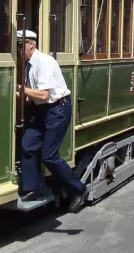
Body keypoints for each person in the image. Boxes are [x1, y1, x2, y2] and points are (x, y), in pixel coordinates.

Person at [16, 29, 86, 212]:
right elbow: (32, 96)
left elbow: (44, 94)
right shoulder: (29, 65)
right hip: (42, 111)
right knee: (28, 144)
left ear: (31, 44)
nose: (19, 50)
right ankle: (32, 189)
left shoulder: (44, 62)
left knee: (49, 155)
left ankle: (79, 190)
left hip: (57, 110)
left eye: (20, 45)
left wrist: (21, 89)